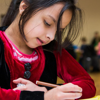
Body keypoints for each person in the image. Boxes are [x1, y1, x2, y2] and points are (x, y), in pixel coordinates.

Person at [0, 0, 96, 100]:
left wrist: (48, 90)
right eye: (48, 23)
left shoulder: (51, 49)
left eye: (58, 31)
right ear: (24, 8)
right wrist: (42, 97)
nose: (51, 36)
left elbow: (88, 85)